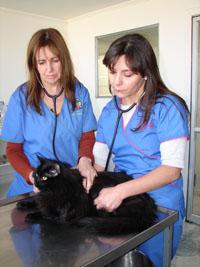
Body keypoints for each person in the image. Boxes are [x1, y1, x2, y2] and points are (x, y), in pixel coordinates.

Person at [92, 34, 189, 267]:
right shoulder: (109, 110)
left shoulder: (167, 107)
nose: (116, 82)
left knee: (152, 260)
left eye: (127, 74)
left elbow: (171, 170)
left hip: (160, 203)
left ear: (145, 73)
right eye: (112, 71)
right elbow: (99, 162)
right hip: (124, 202)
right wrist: (84, 167)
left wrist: (121, 191)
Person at [0, 28, 97, 198]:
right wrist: (32, 177)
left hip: (68, 185)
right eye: (42, 62)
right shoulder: (21, 98)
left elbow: (87, 136)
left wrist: (85, 160)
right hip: (30, 188)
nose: (49, 69)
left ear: (64, 60)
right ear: (34, 65)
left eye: (55, 60)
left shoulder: (79, 93)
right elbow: (13, 150)